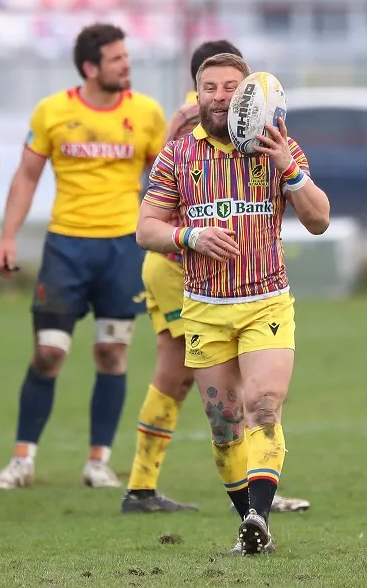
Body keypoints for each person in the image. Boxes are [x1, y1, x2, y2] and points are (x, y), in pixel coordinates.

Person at [137, 53, 330, 554]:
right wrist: (191, 235)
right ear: (196, 94)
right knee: (225, 426)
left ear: (249, 95)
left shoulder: (277, 146)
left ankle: (257, 519)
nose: (220, 97)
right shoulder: (177, 156)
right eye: (210, 87)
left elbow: (319, 219)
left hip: (266, 301)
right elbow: (146, 229)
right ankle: (249, 520)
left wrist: (288, 168)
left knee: (263, 407)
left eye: (231, 88)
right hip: (203, 307)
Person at [0, 24, 165, 489]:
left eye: (127, 56)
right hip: (66, 247)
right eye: (117, 58)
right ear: (91, 68)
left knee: (111, 353)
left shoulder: (146, 114)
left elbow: (167, 183)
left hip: (123, 249)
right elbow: (26, 177)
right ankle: (22, 461)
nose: (126, 65)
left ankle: (97, 462)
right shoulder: (53, 111)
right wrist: (7, 238)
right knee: (48, 354)